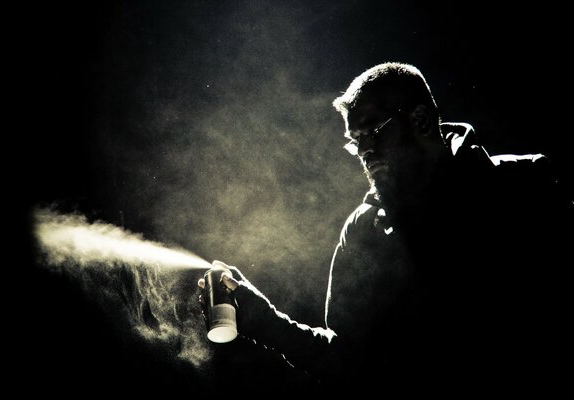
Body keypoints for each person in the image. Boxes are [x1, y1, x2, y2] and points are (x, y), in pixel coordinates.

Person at [198, 62, 572, 392]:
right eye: (356, 141)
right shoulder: (362, 232)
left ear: (421, 120)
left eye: (373, 132)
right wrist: (263, 320)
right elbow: (348, 363)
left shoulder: (525, 185)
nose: (364, 151)